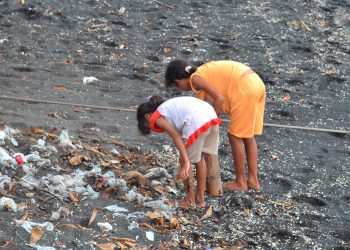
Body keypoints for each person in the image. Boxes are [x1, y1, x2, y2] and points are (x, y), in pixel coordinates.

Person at [165, 59, 266, 191]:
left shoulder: (196, 79)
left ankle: (241, 182)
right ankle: (253, 180)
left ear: (178, 82)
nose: (182, 90)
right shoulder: (203, 74)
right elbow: (208, 103)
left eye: (177, 87)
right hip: (255, 84)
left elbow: (219, 98)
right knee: (247, 136)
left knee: (234, 136)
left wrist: (214, 119)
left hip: (245, 88)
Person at [137, 95, 222, 208]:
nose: (151, 127)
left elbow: (176, 136)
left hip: (196, 121)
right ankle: (200, 199)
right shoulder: (167, 108)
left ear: (147, 116)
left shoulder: (157, 116)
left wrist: (185, 161)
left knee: (184, 159)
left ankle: (189, 200)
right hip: (210, 115)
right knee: (200, 158)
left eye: (147, 125)